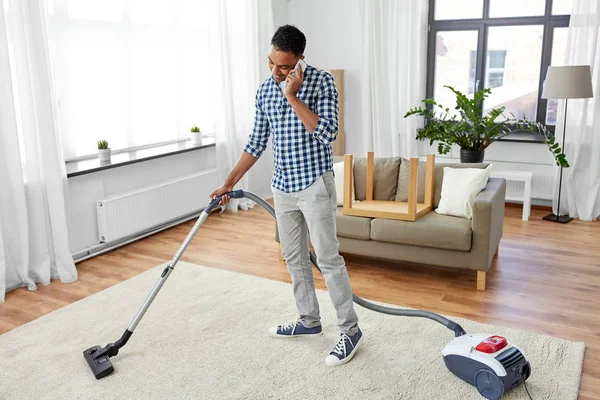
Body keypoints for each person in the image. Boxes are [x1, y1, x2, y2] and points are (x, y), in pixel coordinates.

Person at [210, 25, 362, 366]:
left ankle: (350, 331)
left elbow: (329, 134)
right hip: (283, 186)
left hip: (314, 184)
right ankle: (309, 321)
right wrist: (228, 182)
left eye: (283, 66)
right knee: (294, 258)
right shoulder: (264, 91)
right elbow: (256, 143)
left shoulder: (322, 82)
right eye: (272, 63)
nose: (276, 72)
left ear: (300, 60)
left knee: (327, 259)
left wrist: (293, 96)